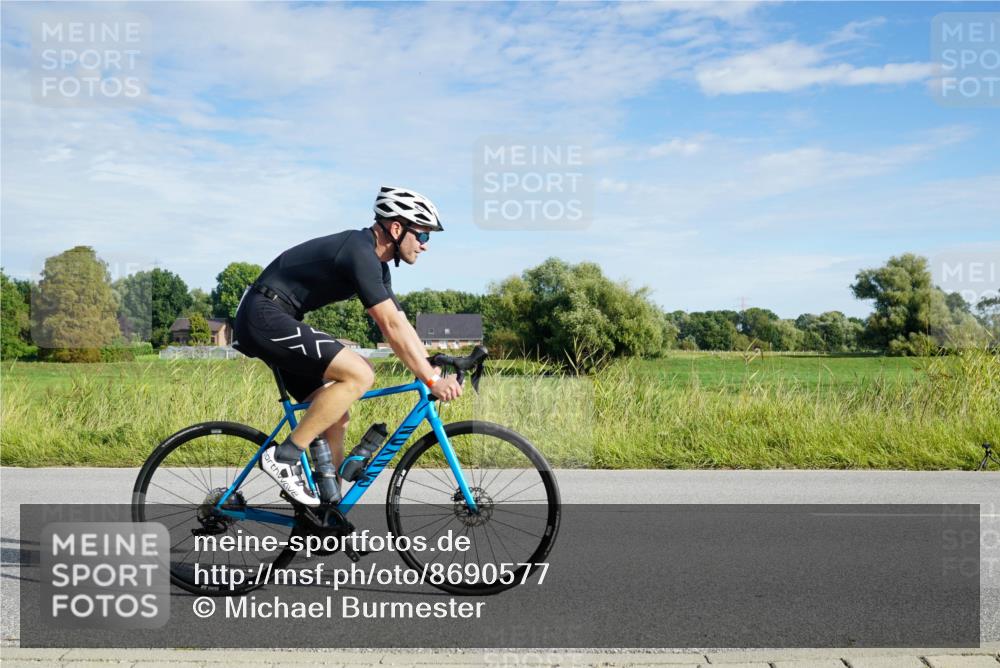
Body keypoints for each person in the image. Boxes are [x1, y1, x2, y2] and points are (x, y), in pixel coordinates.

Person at [232, 186, 463, 507]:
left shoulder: (377, 266)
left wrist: (431, 363)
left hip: (277, 316)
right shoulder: (359, 252)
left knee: (335, 417)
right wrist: (432, 380)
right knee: (360, 373)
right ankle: (285, 457)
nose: (425, 246)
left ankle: (329, 510)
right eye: (423, 236)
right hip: (263, 314)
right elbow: (389, 327)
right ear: (397, 229)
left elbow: (400, 321)